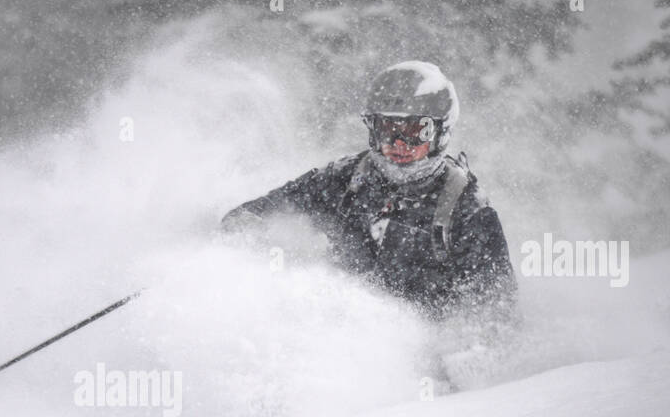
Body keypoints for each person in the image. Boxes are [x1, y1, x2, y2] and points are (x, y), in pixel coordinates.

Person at [221, 61, 516, 325]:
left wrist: (453, 364)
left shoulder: (466, 208)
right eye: (387, 128)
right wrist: (250, 253)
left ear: (441, 132)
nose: (399, 143)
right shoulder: (344, 178)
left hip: (422, 362)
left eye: (417, 131)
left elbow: (495, 316)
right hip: (330, 335)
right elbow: (256, 213)